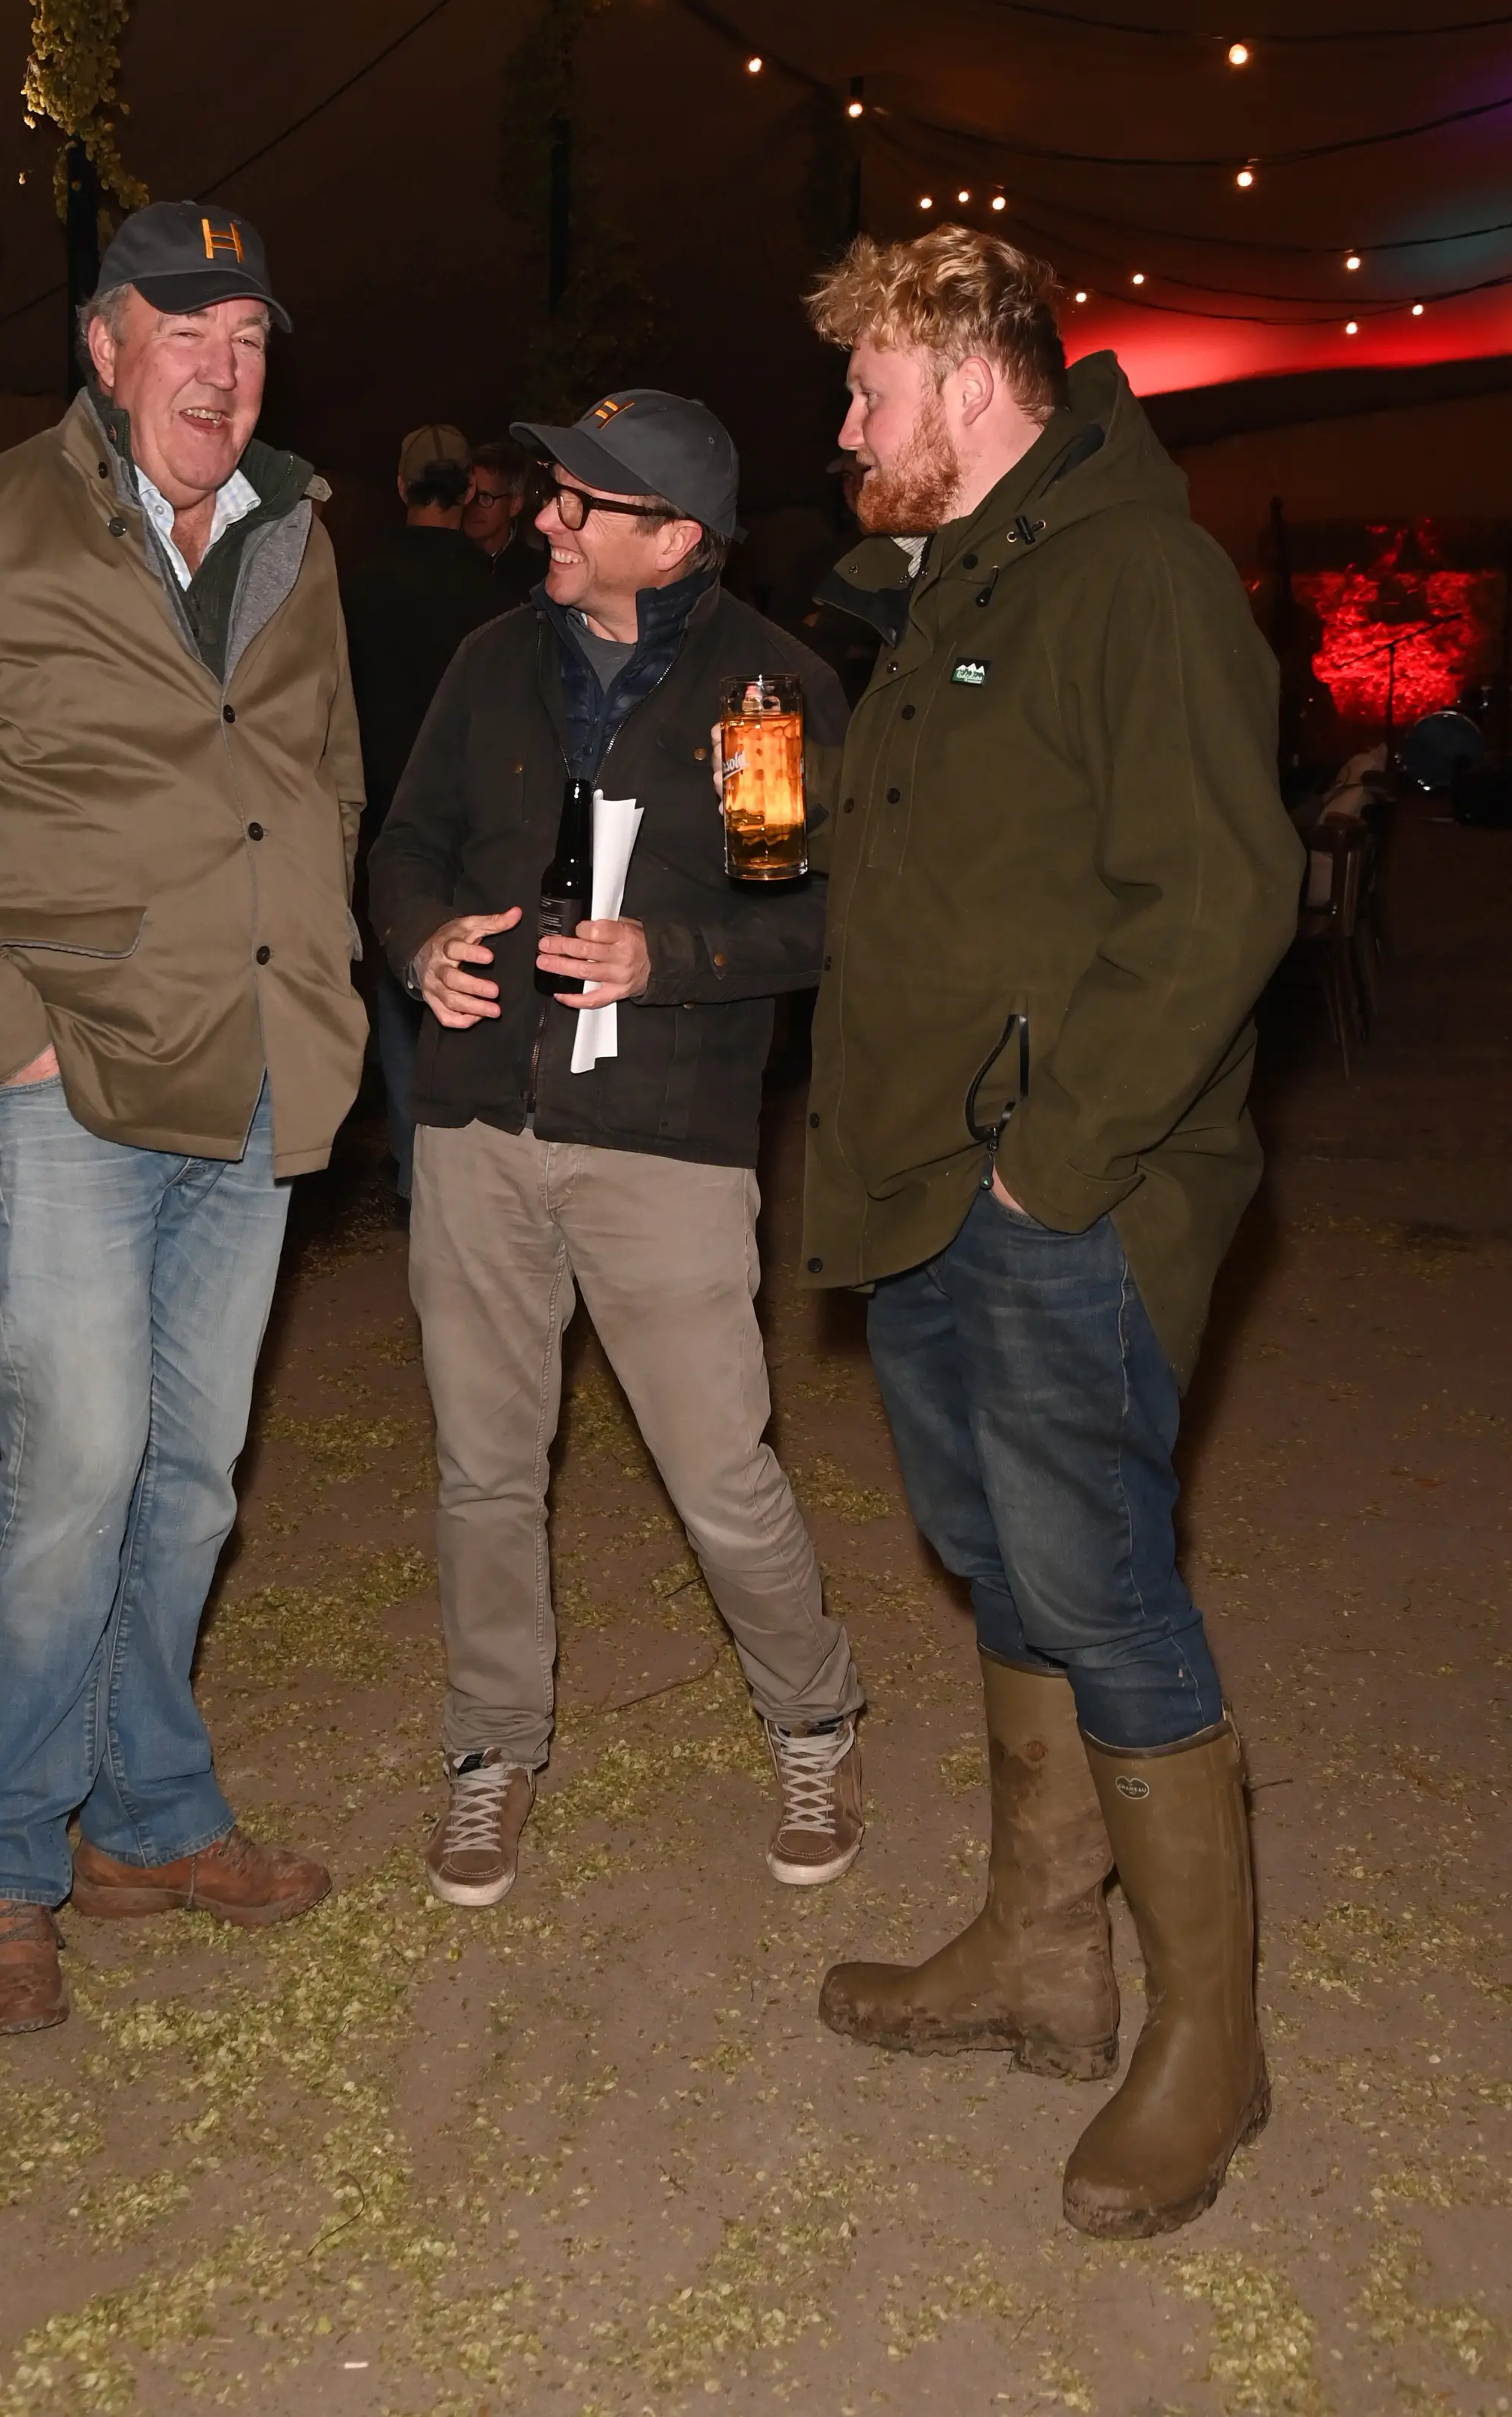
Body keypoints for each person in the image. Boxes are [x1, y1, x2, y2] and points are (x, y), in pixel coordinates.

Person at [0, 199, 367, 2038]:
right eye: (182, 329)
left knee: (192, 1475)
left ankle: (146, 1816)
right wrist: (2, 1035)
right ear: (105, 347)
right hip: (70, 1080)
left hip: (259, 1071)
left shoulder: (297, 538)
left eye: (249, 336)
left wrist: (330, 974)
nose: (222, 366)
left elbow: (321, 781)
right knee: (76, 1464)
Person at [794, 227, 1304, 2239]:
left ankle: (1214, 2042)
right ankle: (1034, 1950)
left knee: (1099, 1587)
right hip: (930, 1175)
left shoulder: (1137, 577)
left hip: (1058, 1190)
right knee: (996, 1554)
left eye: (864, 389)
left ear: (968, 373)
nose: (841, 425)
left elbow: (1219, 895)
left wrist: (1056, 1160)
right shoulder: (950, 587)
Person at [372, 387, 865, 1913]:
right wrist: (420, 941)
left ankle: (814, 1713)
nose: (545, 519)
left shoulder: (765, 697)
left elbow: (814, 917)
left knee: (719, 1471)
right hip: (476, 1129)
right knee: (484, 1470)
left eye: (583, 505)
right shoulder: (490, 660)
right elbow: (402, 842)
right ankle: (492, 1748)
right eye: (553, 494)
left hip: (662, 1139)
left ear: (679, 539)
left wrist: (671, 957)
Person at [342, 424, 513, 1206]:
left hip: (385, 822)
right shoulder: (498, 597)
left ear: (402, 486)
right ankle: (462, 1174)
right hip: (477, 828)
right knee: (475, 982)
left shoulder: (357, 586)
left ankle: (417, 1170)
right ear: (469, 494)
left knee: (401, 979)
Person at [463, 438, 548, 600]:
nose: (473, 505)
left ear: (515, 504)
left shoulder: (538, 578)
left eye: (486, 497)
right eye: (469, 494)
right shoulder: (448, 562)